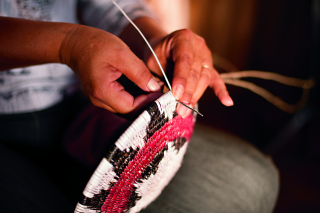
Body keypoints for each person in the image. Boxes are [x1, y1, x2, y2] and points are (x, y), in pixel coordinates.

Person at [0, 0, 279, 212]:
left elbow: (109, 5)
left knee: (254, 179)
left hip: (81, 107)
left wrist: (155, 40)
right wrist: (66, 44)